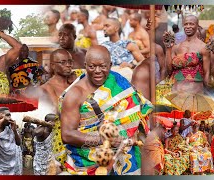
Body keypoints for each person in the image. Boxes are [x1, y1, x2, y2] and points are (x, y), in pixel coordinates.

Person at [60, 45, 153, 175]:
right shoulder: (75, 94)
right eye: (92, 67)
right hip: (89, 161)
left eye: (103, 66)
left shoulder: (118, 82)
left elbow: (138, 110)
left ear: (110, 64)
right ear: (85, 65)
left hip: (125, 155)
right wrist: (105, 140)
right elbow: (67, 135)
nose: (97, 71)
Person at [164, 15, 210, 94]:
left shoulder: (203, 47)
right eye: (186, 24)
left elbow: (207, 74)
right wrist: (168, 49)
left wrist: (204, 93)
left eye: (191, 24)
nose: (188, 26)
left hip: (194, 92)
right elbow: (168, 71)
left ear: (197, 25)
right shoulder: (176, 47)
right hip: (175, 92)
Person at [0, 107, 22, 175]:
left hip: (13, 167)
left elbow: (18, 143)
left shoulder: (11, 127)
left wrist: (14, 130)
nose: (10, 118)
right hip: (0, 170)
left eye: (10, 115)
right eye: (7, 115)